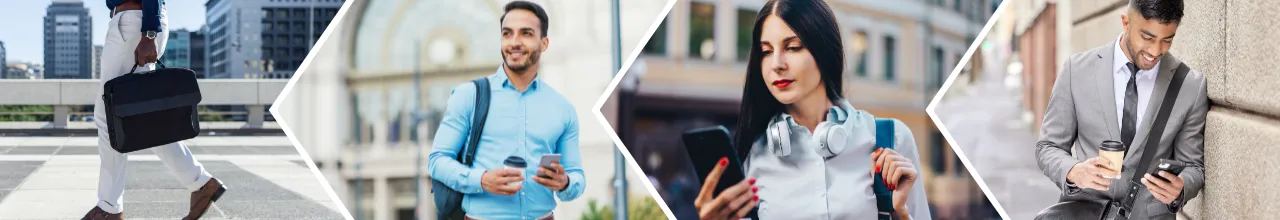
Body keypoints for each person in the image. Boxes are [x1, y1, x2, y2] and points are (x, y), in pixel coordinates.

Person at [690, 0, 930, 219]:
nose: (777, 65)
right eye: (766, 52)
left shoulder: (891, 139)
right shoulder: (752, 155)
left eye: (793, 47)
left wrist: (901, 213)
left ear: (824, 50)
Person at [1034, 0, 1206, 219]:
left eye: (1167, 40)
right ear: (1125, 22)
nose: (1155, 51)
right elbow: (1048, 146)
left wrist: (1181, 188)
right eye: (1147, 37)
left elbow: (1194, 166)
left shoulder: (1190, 86)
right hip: (1085, 213)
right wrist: (1073, 171)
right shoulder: (1076, 71)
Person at [427, 1, 584, 220]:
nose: (515, 42)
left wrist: (565, 182)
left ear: (544, 43)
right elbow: (437, 162)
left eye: (526, 33)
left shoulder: (562, 109)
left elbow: (577, 176)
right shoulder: (468, 96)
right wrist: (481, 180)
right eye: (507, 34)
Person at [82, 0, 227, 220]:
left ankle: (109, 207)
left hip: (134, 21)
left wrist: (149, 33)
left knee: (109, 118)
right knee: (146, 120)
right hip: (136, 21)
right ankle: (201, 184)